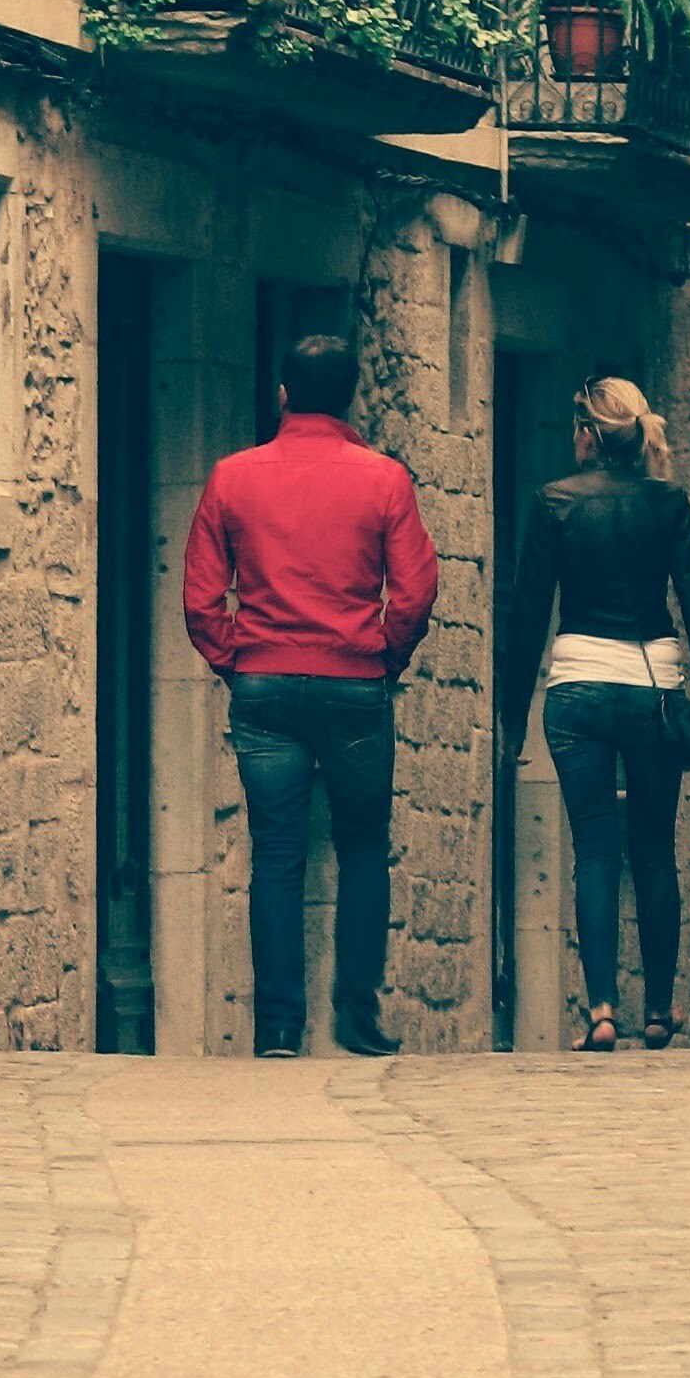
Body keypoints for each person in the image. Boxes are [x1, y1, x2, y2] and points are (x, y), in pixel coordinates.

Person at [183, 333, 439, 1059]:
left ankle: (278, 1027)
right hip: (355, 681)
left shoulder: (232, 477)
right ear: (351, 396)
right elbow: (416, 586)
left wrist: (239, 658)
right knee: (363, 847)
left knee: (277, 854)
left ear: (284, 394)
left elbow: (202, 595)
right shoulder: (385, 479)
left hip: (263, 683)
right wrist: (384, 650)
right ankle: (357, 1018)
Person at [500, 374, 690, 1052]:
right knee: (655, 848)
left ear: (586, 433)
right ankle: (659, 1008)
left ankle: (601, 1008)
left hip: (576, 690)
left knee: (595, 850)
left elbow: (526, 617)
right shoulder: (668, 503)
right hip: (652, 691)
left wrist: (513, 721)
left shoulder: (554, 503)